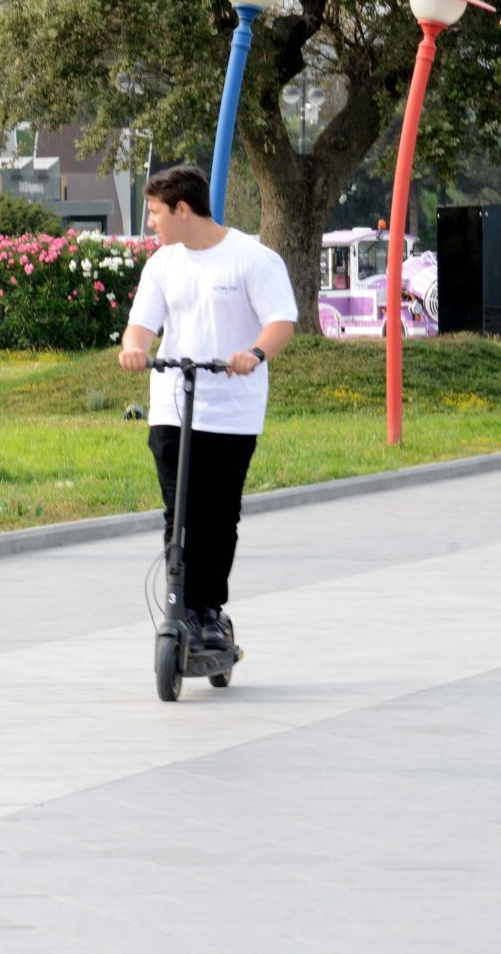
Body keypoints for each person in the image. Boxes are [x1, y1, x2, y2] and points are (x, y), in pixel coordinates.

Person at [117, 165, 297, 648]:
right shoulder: (163, 265)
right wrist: (134, 347)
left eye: (155, 212)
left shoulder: (252, 259)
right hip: (172, 407)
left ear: (182, 209)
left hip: (232, 411)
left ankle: (209, 610)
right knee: (178, 511)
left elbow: (280, 322)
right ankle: (182, 606)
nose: (150, 222)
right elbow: (141, 325)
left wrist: (254, 353)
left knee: (218, 514)